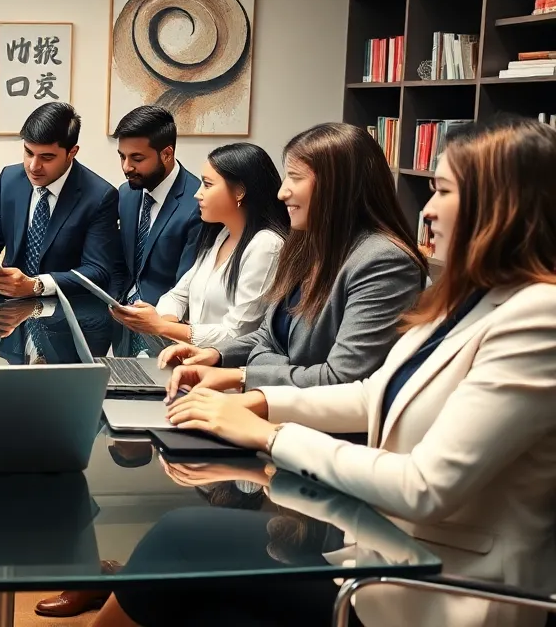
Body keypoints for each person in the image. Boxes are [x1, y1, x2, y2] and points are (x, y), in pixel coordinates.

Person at [127, 117, 556, 627]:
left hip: (444, 590)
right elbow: (371, 391)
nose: (427, 209)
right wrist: (253, 400)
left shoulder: (538, 316)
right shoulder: (469, 299)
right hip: (378, 555)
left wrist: (269, 431)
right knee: (187, 573)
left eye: (442, 190)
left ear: (500, 206)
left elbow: (425, 486)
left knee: (181, 541)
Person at [162, 122, 427, 396]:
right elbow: (269, 335)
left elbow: (342, 379)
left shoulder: (384, 262)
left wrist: (244, 374)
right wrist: (217, 355)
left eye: (295, 178)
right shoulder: (307, 244)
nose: (282, 192)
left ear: (337, 187)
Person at [111, 142, 288, 346]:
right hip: (194, 358)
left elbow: (238, 333)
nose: (198, 194)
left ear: (239, 191)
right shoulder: (221, 236)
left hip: (229, 369)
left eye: (208, 184)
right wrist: (161, 320)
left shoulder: (266, 246)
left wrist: (162, 327)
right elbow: (178, 294)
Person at [0, 102, 127, 298]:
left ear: (72, 152)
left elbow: (97, 271)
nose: (34, 167)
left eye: (47, 157)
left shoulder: (100, 196)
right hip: (8, 304)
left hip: (65, 308)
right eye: (29, 153)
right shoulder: (9, 178)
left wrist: (37, 285)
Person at [112, 105, 203, 306]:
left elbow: (186, 286)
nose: (127, 167)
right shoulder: (126, 194)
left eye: (137, 158)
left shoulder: (197, 203)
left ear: (167, 154)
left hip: (164, 320)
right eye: (122, 156)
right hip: (121, 315)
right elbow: (118, 263)